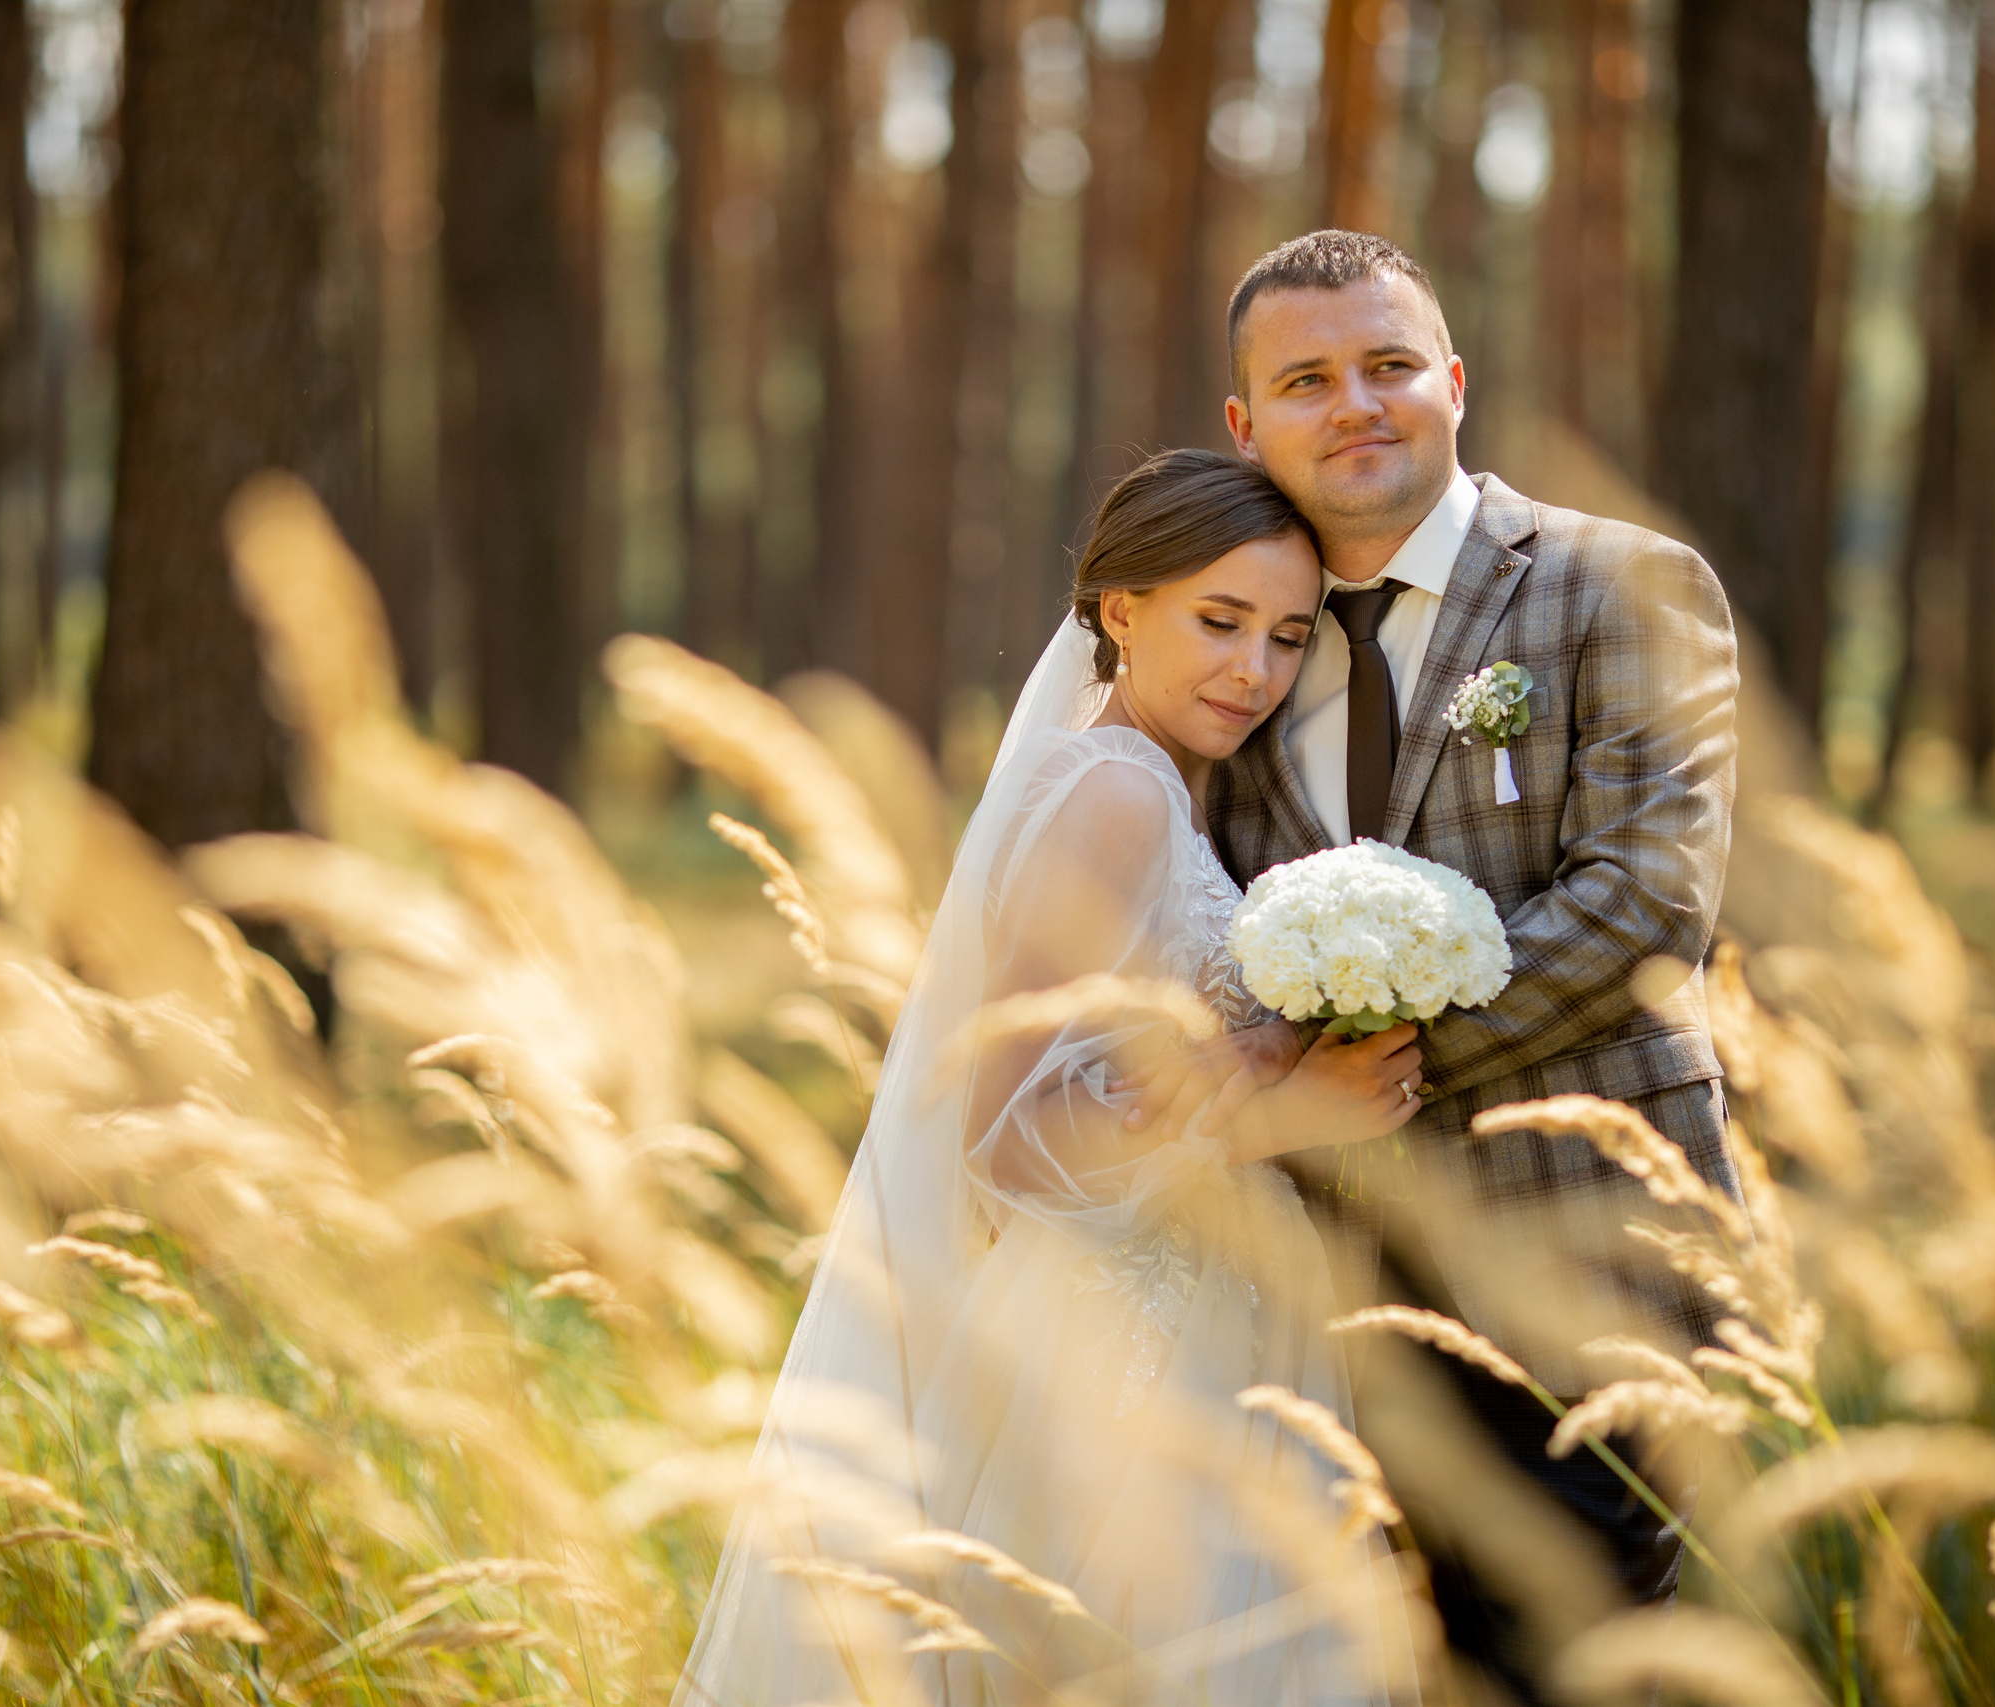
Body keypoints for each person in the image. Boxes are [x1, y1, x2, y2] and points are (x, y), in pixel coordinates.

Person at [677, 450, 1427, 1705]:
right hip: (1122, 1337)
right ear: (1120, 611)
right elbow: (1004, 1136)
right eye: (1220, 622)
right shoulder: (1113, 792)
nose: (1253, 671)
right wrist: (1273, 1121)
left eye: (1290, 637)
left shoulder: (1148, 782)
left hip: (1191, 1303)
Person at [1125, 229, 1743, 1707]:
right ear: (1246, 423)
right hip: (1327, 1288)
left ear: (1453, 381)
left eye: (1390, 365)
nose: (1357, 404)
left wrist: (1360, 1070)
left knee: (1568, 1666)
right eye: (1308, 378)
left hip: (1591, 1259)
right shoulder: (1242, 642)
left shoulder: (1619, 584)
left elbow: (1648, 902)